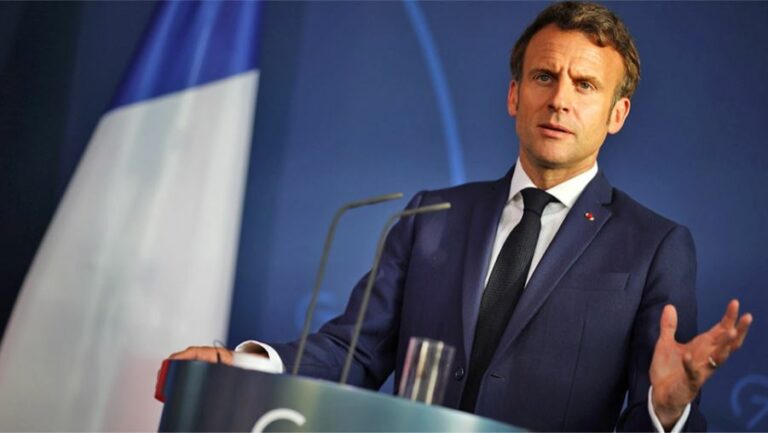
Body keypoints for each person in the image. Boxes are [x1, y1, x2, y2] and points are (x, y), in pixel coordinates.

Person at [164, 2, 752, 431]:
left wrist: (666, 410)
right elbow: (356, 352)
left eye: (585, 85)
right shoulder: (432, 216)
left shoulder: (654, 246)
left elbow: (653, 410)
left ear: (617, 114)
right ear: (514, 95)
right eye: (544, 77)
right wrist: (245, 364)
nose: (560, 99)